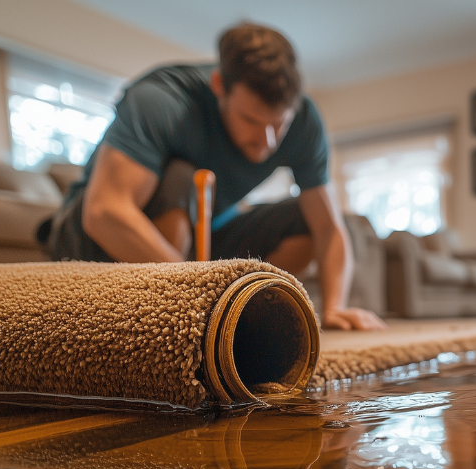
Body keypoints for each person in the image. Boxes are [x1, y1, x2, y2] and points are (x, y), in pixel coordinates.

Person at [44, 23, 384, 331]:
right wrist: (201, 289)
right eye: (251, 120)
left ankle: (241, 316)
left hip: (195, 252)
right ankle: (190, 309)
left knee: (305, 220)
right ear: (220, 85)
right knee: (183, 174)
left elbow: (328, 229)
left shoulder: (306, 121)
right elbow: (104, 213)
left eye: (279, 123)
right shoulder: (161, 100)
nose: (268, 141)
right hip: (89, 240)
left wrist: (335, 307)